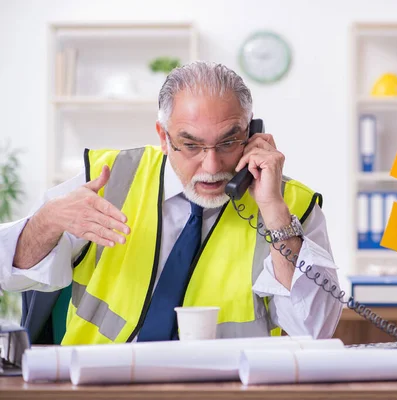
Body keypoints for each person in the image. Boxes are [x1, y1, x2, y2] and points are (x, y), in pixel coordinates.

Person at [0, 61, 342, 345]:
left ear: (252, 134)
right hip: (99, 384)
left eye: (228, 142)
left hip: (227, 390)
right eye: (190, 145)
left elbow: (315, 330)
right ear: (163, 137)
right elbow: (9, 271)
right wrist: (47, 221)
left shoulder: (290, 204)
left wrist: (274, 212)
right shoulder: (110, 177)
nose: (211, 167)